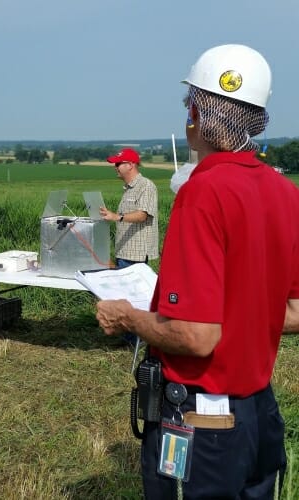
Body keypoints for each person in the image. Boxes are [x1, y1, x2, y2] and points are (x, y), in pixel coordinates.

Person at [96, 44, 299, 499]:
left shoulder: (202, 191)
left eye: (190, 103)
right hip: (259, 416)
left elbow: (195, 336)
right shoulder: (285, 192)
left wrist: (126, 316)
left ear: (197, 114)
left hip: (203, 424)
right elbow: (294, 312)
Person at [99, 147, 158, 269]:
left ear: (130, 165)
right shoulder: (129, 188)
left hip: (136, 256)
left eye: (118, 163)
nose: (115, 167)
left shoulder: (146, 186)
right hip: (123, 251)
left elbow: (142, 215)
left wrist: (116, 217)